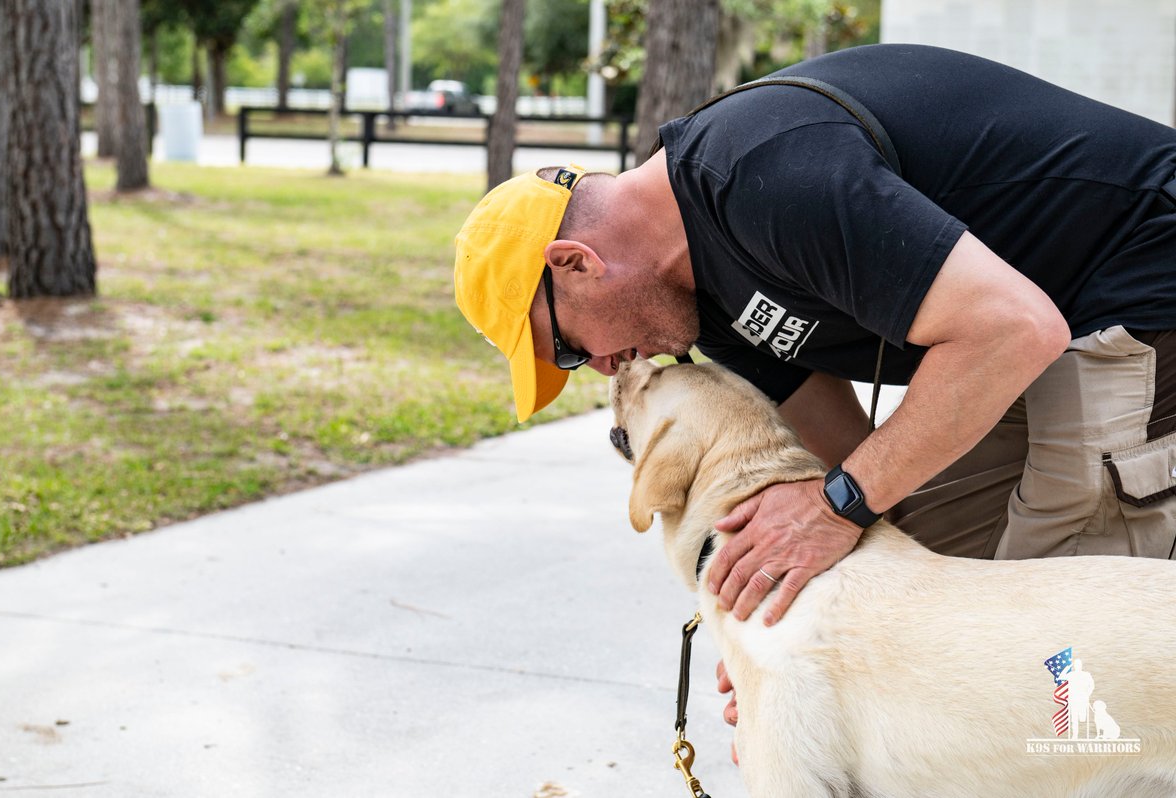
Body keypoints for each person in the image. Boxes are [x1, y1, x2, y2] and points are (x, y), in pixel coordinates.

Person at [453, 42, 1176, 749]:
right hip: (1024, 330)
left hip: (1134, 284)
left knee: (1049, 641)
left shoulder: (762, 174)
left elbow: (1014, 330)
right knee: (930, 574)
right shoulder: (708, 305)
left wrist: (837, 506)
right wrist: (789, 651)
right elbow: (859, 473)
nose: (608, 370)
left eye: (573, 349)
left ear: (575, 263)